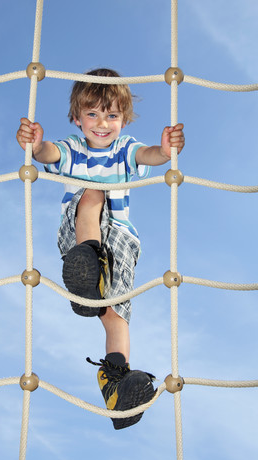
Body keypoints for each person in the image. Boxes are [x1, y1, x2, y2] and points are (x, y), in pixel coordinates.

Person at [16, 68, 185, 429]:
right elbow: (48, 153)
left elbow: (150, 155)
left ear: (123, 119)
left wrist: (166, 151)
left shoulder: (125, 148)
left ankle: (116, 384)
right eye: (92, 113)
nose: (102, 123)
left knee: (117, 315)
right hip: (80, 232)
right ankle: (87, 263)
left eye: (111, 115)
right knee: (93, 191)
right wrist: (35, 144)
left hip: (121, 240)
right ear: (77, 118)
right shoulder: (75, 149)